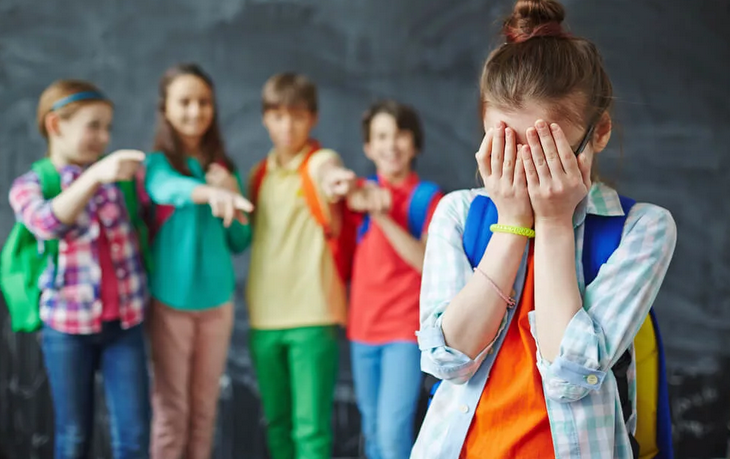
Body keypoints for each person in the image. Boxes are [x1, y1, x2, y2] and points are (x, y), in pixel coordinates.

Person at [411, 1, 677, 458]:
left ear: (599, 133)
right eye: (506, 147)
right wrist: (512, 225)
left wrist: (554, 222)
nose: (525, 171)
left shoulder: (642, 229)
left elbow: (570, 374)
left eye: (545, 151)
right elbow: (445, 360)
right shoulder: (456, 213)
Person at [144, 63, 252, 459]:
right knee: (173, 409)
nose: (195, 111)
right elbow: (165, 190)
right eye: (184, 102)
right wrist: (211, 193)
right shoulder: (158, 164)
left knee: (205, 409)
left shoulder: (224, 169)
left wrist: (229, 192)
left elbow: (241, 238)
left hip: (217, 304)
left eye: (203, 102)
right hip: (171, 302)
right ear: (166, 108)